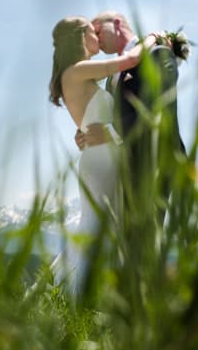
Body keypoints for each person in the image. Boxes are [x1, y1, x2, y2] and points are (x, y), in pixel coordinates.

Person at [48, 16, 154, 296]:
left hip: (101, 156)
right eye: (92, 31)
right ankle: (78, 295)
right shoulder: (78, 70)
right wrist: (154, 38)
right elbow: (129, 62)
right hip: (101, 161)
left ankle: (91, 293)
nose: (97, 35)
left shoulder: (76, 74)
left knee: (101, 225)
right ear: (81, 38)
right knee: (98, 227)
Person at [76, 12, 186, 228]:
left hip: (154, 158)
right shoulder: (112, 76)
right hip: (124, 165)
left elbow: (158, 105)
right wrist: (87, 134)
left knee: (145, 236)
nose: (95, 39)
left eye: (97, 30)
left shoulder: (158, 53)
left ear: (116, 24)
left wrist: (110, 132)